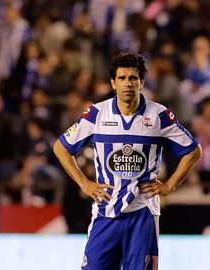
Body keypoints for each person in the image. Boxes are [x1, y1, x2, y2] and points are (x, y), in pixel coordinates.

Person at [53, 52, 202, 269]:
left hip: (143, 214)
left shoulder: (159, 116)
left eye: (133, 78)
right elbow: (61, 147)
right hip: (106, 213)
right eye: (122, 78)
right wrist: (84, 183)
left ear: (142, 82)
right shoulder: (96, 114)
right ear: (113, 83)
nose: (128, 84)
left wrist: (170, 185)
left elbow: (193, 150)